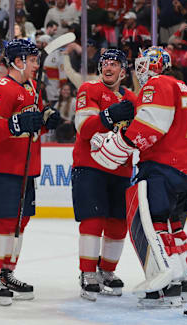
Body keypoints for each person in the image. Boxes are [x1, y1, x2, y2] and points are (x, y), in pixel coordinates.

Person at [90, 46, 187, 307]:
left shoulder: (157, 84)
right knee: (172, 225)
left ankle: (162, 282)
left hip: (163, 168)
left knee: (152, 224)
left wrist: (117, 144)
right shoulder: (182, 87)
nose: (138, 69)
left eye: (142, 63)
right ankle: (183, 280)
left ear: (153, 65)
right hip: (186, 169)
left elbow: (150, 126)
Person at [0, 39, 60, 305]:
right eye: (33, 60)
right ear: (19, 61)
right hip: (4, 167)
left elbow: (28, 127)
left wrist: (44, 121)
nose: (37, 65)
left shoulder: (31, 88)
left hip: (26, 166)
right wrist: (14, 123)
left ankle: (6, 271)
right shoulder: (1, 89)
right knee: (3, 221)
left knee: (20, 222)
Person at [71, 49, 136, 301]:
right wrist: (109, 116)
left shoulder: (131, 98)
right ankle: (88, 273)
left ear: (123, 71)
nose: (108, 68)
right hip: (90, 166)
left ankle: (107, 271)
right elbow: (84, 128)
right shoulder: (90, 89)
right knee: (93, 220)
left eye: (114, 64)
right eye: (104, 64)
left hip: (121, 167)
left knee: (118, 224)